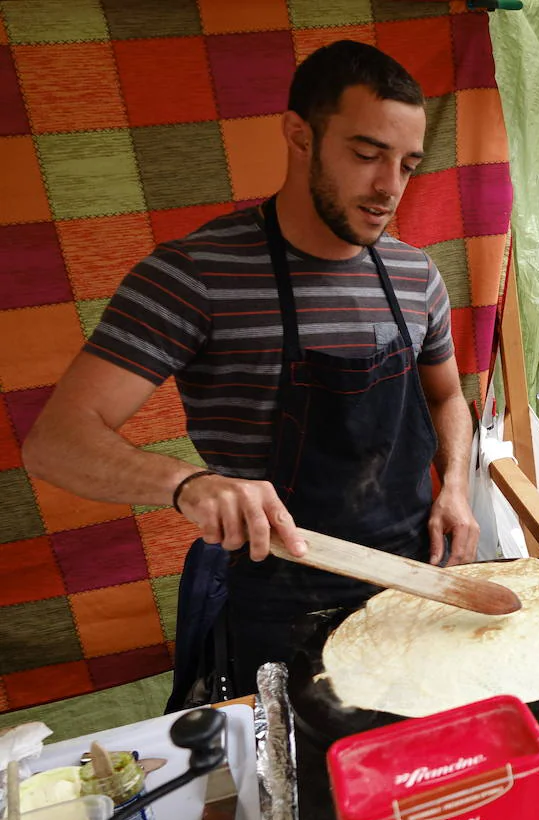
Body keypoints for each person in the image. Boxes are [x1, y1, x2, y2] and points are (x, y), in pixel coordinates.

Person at [22, 41, 480, 696]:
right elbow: (56, 442)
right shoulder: (195, 275)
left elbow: (446, 399)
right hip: (281, 606)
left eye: (406, 164)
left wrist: (456, 487)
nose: (389, 187)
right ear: (299, 135)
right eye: (366, 154)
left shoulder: (415, 275)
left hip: (413, 579)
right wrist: (190, 485)